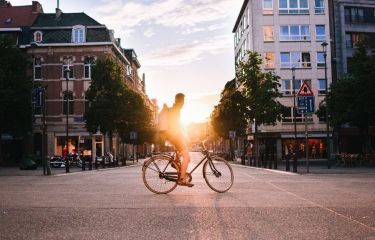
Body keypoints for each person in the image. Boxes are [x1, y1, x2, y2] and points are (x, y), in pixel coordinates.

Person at [166, 93, 193, 187]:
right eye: (183, 101)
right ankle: (182, 179)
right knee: (186, 156)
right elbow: (176, 126)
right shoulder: (176, 110)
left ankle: (177, 166)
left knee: (188, 158)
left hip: (174, 136)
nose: (183, 103)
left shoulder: (174, 109)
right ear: (180, 101)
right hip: (175, 137)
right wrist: (184, 137)